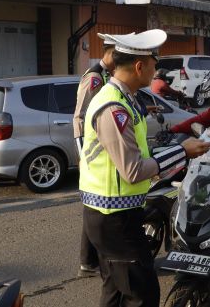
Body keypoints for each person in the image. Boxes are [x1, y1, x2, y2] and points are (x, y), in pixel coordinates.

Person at [79, 29, 210, 307]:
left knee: (115, 292)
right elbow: (133, 170)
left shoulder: (125, 97)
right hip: (114, 218)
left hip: (115, 212)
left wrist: (172, 153)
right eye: (154, 64)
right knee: (142, 295)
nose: (156, 72)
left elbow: (139, 153)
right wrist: (181, 150)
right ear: (140, 65)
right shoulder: (113, 106)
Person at [73, 35, 116, 278]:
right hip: (90, 147)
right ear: (110, 54)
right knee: (95, 206)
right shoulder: (94, 77)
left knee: (94, 205)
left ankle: (89, 260)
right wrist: (85, 155)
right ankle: (90, 261)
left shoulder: (105, 76)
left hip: (96, 147)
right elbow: (84, 116)